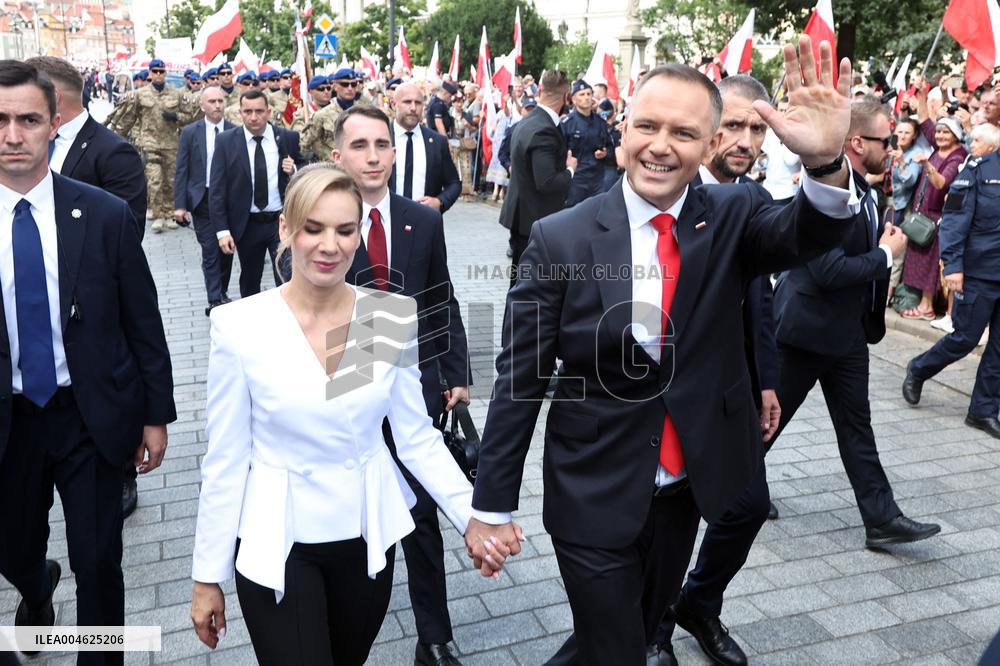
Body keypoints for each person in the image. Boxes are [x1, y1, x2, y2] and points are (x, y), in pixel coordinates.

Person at [465, 39, 860, 664]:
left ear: (709, 145)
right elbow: (521, 376)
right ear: (623, 131)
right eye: (647, 125)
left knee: (631, 634)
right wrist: (490, 504)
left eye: (683, 133)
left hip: (684, 489)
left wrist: (826, 162)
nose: (660, 145)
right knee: (619, 649)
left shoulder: (735, 213)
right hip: (592, 488)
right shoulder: (560, 237)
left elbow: (812, 231)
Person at [188, 164, 511, 665]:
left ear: (359, 235)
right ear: (286, 229)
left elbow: (415, 437)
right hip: (278, 539)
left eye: (344, 230)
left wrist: (474, 517)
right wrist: (207, 575)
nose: (329, 246)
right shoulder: (241, 325)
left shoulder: (383, 318)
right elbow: (226, 458)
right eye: (313, 228)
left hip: (365, 534)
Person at [0, 60, 175, 663]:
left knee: (99, 559)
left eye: (28, 120)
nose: (13, 135)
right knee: (14, 548)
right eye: (0, 120)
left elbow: (142, 320)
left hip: (88, 413)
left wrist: (155, 415)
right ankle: (36, 590)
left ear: (55, 124)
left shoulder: (102, 214)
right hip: (9, 420)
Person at [332, 104, 473, 666]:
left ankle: (434, 636)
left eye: (382, 144)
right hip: (347, 386)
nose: (373, 156)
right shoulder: (321, 221)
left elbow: (441, 297)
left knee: (421, 516)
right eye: (359, 145)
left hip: (417, 385)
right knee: (357, 516)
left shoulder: (422, 220)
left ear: (395, 152)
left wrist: (456, 373)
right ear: (338, 155)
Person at [648, 75, 781, 666]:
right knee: (662, 524)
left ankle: (697, 604)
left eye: (757, 128)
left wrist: (765, 381)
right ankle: (652, 630)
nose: (745, 140)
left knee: (747, 507)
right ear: (707, 131)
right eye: (734, 126)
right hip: (662, 402)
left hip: (731, 393)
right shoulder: (660, 192)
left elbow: (760, 303)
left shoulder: (752, 201)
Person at [770, 98, 939, 543]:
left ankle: (881, 519)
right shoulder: (821, 194)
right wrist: (885, 254)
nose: (893, 148)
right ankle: (731, 489)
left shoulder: (869, 191)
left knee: (856, 426)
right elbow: (828, 271)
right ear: (858, 143)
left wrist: (880, 246)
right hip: (805, 331)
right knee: (767, 421)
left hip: (847, 334)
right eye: (886, 140)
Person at [27, 56, 150, 521]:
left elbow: (127, 231)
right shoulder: (24, 152)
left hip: (94, 311)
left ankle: (121, 472)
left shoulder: (112, 151)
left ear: (54, 100)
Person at [903, 122, 1000, 439]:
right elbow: (955, 218)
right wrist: (953, 265)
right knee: (965, 338)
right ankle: (918, 369)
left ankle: (983, 411)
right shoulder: (978, 169)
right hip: (979, 272)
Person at [210, 89, 305, 297]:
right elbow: (217, 189)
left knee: (287, 275)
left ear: (268, 112)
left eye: (259, 111)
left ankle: (288, 313)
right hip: (248, 224)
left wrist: (294, 169)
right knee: (250, 280)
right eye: (248, 112)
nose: (254, 117)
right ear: (240, 113)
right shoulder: (226, 141)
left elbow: (306, 168)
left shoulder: (286, 137)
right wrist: (222, 231)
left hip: (280, 222)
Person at [498, 69, 577, 273]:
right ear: (566, 97)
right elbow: (546, 181)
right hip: (535, 219)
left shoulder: (529, 120)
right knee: (529, 281)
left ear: (540, 90)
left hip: (526, 217)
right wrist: (570, 169)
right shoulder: (544, 129)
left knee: (520, 280)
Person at [900, 85, 968, 319]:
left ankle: (927, 307)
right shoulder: (938, 146)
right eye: (938, 132)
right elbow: (923, 119)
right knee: (917, 259)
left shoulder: (957, 156)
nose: (939, 136)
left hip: (938, 217)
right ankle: (922, 303)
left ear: (956, 135)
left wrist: (926, 165)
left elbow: (941, 183)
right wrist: (921, 93)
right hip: (922, 212)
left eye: (945, 133)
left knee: (929, 263)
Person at [108, 58, 196, 233]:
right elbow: (129, 119)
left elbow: (190, 117)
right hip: (150, 143)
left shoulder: (176, 94)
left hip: (171, 143)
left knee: (170, 180)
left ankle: (170, 213)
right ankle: (158, 215)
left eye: (161, 71)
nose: (158, 75)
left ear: (165, 73)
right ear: (150, 73)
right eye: (155, 71)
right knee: (155, 180)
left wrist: (176, 117)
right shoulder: (140, 95)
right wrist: (117, 137)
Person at [174, 86, 236, 315]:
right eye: (212, 101)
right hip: (203, 199)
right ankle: (214, 298)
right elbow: (181, 169)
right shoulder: (191, 132)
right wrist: (180, 205)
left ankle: (222, 290)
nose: (217, 105)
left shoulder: (234, 131)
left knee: (226, 249)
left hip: (228, 200)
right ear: (202, 106)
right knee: (210, 249)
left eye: (220, 101)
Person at [388, 82, 462, 213]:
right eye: (407, 102)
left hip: (424, 219)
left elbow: (454, 183)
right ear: (393, 105)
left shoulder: (437, 142)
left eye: (418, 103)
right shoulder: (380, 138)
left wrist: (439, 202)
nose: (413, 108)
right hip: (386, 220)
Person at [562, 79, 613, 206]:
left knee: (597, 213)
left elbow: (610, 147)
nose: (586, 97)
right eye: (582, 94)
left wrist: (605, 153)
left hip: (597, 179)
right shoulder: (567, 124)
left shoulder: (600, 123)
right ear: (574, 99)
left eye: (589, 94)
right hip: (576, 179)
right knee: (574, 214)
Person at [760, 96, 802, 204]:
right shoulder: (769, 133)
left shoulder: (798, 135)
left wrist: (784, 136)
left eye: (786, 110)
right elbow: (762, 160)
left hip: (788, 192)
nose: (783, 114)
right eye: (780, 110)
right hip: (768, 190)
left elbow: (790, 160)